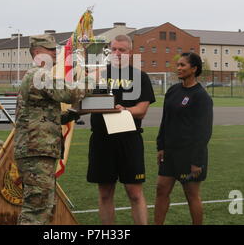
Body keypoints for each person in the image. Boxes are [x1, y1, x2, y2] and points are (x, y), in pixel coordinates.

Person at [13, 34, 90, 225]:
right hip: (36, 151)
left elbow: (41, 116)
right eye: (51, 50)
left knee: (41, 206)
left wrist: (71, 114)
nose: (55, 54)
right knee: (36, 210)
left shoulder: (36, 76)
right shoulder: (39, 75)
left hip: (37, 150)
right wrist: (91, 79)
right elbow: (70, 93)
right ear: (38, 52)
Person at [87, 34, 155, 225]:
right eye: (114, 49)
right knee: (105, 193)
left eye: (122, 50)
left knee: (134, 193)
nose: (117, 53)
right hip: (102, 140)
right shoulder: (97, 75)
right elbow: (83, 102)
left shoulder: (140, 77)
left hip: (129, 139)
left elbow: (141, 111)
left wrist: (124, 110)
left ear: (130, 53)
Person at [154, 52, 213, 225]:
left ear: (194, 69)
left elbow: (204, 131)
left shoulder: (201, 97)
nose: (178, 68)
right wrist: (160, 146)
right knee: (161, 189)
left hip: (190, 155)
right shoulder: (173, 90)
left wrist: (197, 161)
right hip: (170, 153)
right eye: (178, 65)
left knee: (191, 195)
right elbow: (165, 120)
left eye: (182, 65)